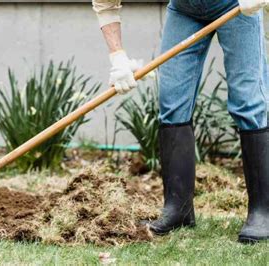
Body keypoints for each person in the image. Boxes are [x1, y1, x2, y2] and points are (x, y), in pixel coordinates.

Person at [92, 0, 268, 243]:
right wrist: (118, 58)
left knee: (247, 101)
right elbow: (105, 3)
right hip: (185, 9)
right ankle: (178, 209)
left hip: (235, 4)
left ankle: (263, 211)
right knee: (172, 101)